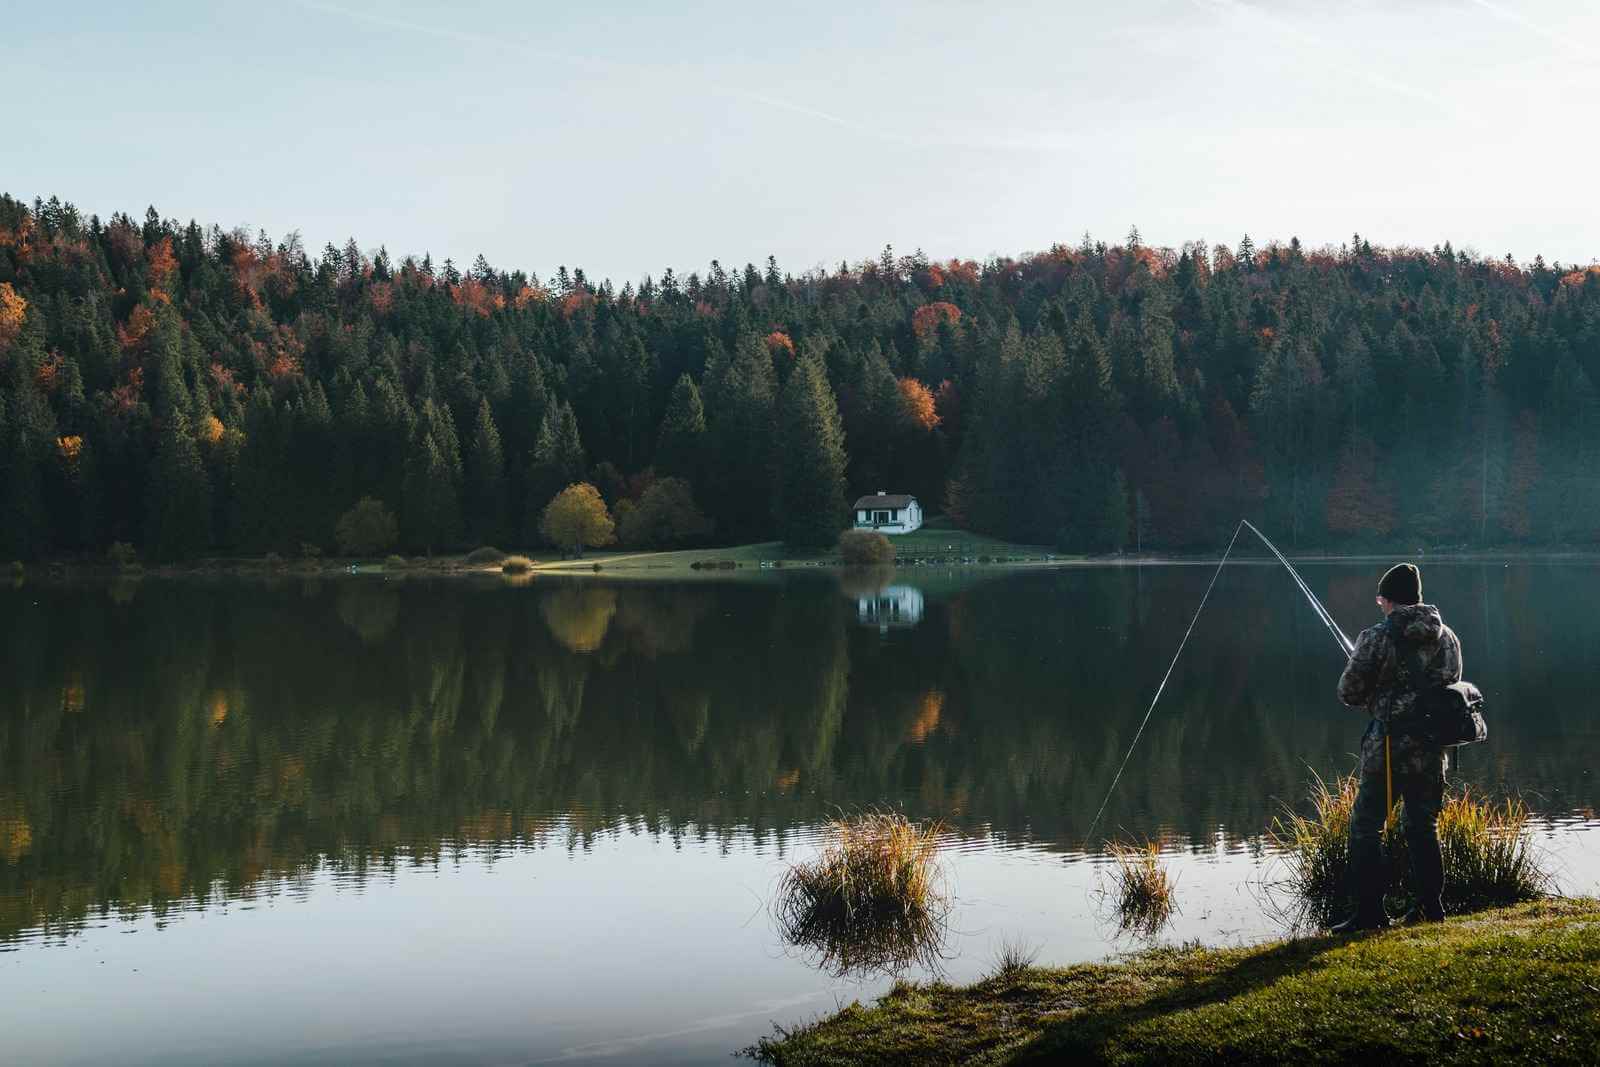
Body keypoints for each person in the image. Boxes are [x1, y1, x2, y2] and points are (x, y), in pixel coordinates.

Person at [1332, 562, 1462, 933]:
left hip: (1387, 750)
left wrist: (1375, 690)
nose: (1381, 606)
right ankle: (1430, 908)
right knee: (1423, 826)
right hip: (1432, 749)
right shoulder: (1447, 637)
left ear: (1388, 600)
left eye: (1381, 601)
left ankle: (1371, 913)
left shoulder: (1376, 637)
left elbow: (1348, 692)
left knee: (1366, 827)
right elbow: (1449, 683)